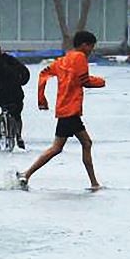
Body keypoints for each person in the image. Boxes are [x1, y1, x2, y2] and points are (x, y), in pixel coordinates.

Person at [17, 30, 105, 190]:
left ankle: (94, 183)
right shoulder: (80, 58)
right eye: (91, 46)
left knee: (71, 145)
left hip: (65, 109)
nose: (92, 50)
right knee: (73, 145)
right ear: (84, 45)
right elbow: (84, 80)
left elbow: (44, 73)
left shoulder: (63, 60)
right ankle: (26, 174)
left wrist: (41, 98)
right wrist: (101, 82)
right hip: (70, 110)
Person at [0, 39, 30, 149]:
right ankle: (18, 136)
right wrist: (21, 82)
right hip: (14, 95)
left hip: (4, 96)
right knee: (17, 115)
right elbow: (25, 73)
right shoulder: (11, 60)